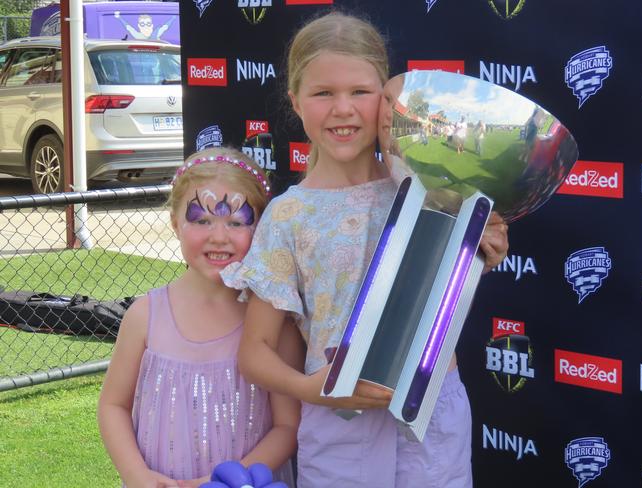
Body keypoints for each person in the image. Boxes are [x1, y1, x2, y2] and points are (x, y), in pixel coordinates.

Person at [222, 12, 509, 488]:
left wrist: (485, 243)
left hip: (430, 422)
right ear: (295, 101)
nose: (343, 109)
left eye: (360, 92)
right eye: (323, 93)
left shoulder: (430, 186)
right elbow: (256, 353)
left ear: (389, 98)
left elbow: (465, 268)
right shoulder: (289, 216)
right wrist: (315, 391)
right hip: (338, 434)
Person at [97, 147, 300, 488]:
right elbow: (113, 406)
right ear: (175, 221)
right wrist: (136, 474)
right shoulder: (144, 316)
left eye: (236, 222)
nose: (218, 236)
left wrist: (222, 481)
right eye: (202, 219)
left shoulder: (273, 325)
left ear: (261, 226)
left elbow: (288, 426)